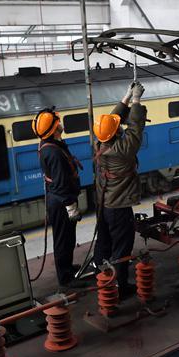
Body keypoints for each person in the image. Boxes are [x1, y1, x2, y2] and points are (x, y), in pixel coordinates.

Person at [92, 82, 147, 298]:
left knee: (104, 241)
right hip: (119, 207)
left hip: (103, 204)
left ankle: (101, 275)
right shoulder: (123, 151)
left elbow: (109, 124)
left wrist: (125, 98)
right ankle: (120, 287)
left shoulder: (99, 143)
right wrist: (136, 100)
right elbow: (135, 128)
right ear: (116, 133)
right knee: (122, 248)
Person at [33, 108, 84, 287]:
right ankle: (66, 277)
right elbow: (61, 183)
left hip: (57, 198)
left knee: (67, 238)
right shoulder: (53, 152)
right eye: (58, 122)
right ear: (54, 128)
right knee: (64, 239)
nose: (61, 124)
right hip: (62, 201)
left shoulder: (50, 144)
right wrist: (71, 206)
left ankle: (67, 268)